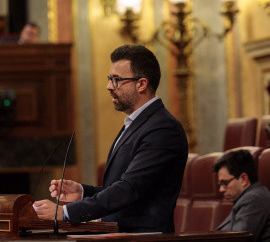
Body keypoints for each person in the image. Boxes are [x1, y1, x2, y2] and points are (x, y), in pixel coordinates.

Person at [33, 44, 188, 233]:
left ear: (141, 84)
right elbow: (127, 191)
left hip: (144, 238)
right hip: (119, 234)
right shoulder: (137, 123)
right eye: (110, 79)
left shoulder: (163, 128)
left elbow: (129, 190)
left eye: (116, 80)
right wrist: (83, 192)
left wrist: (65, 212)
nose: (108, 86)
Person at [214, 149, 270, 242]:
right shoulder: (248, 198)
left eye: (224, 183)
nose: (221, 189)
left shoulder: (254, 199)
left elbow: (238, 240)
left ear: (243, 179)